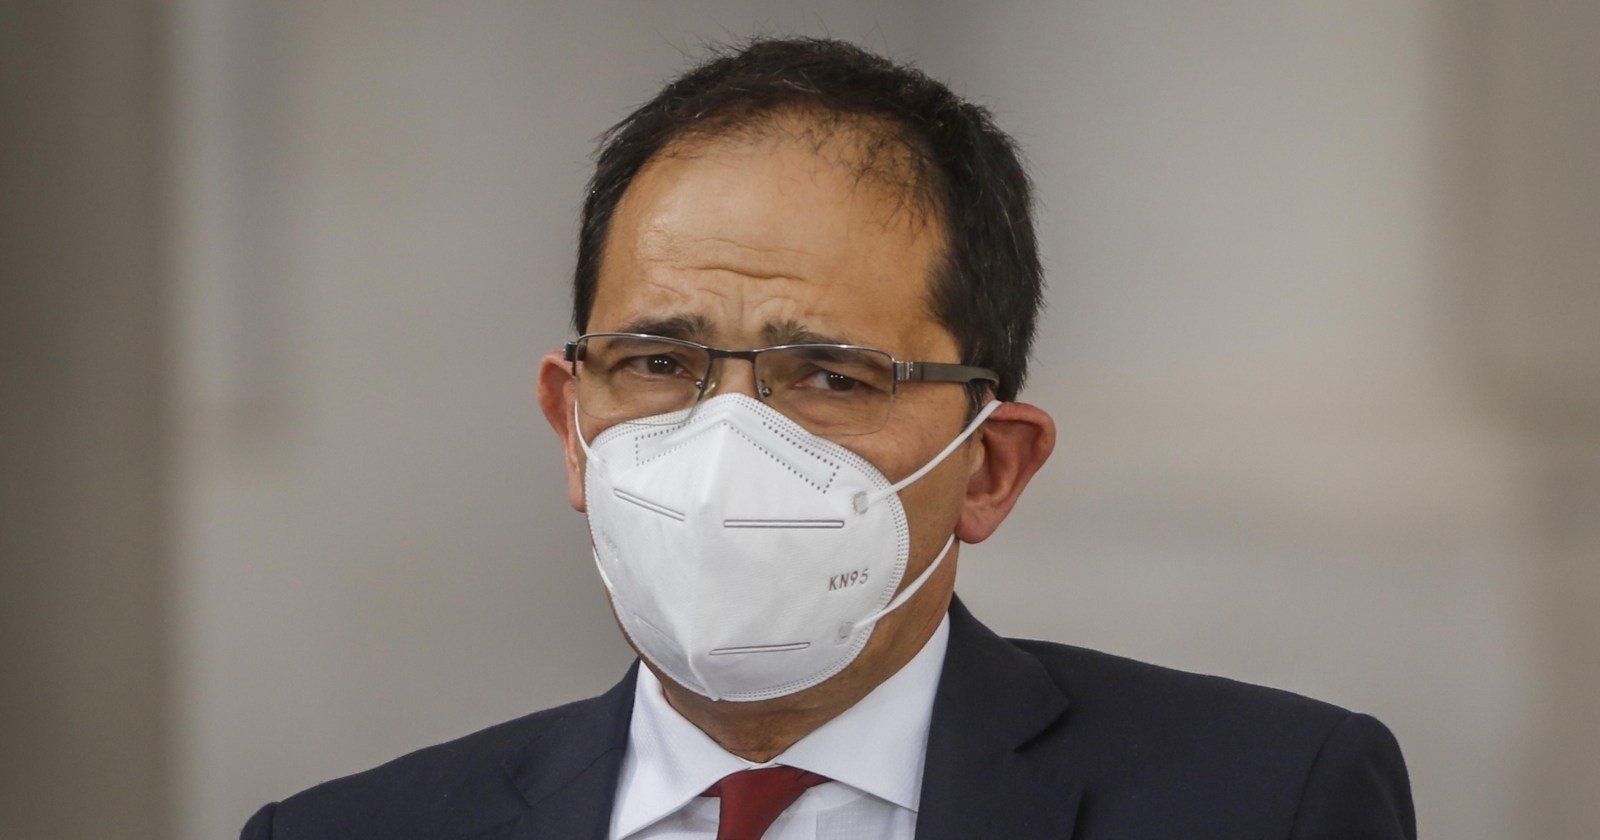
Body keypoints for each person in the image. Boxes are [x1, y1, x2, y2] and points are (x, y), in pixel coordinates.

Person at [242, 37, 1415, 840]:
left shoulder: (1263, 804)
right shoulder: (349, 832)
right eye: (657, 364)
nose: (727, 441)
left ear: (990, 467)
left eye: (829, 377)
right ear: (570, 427)